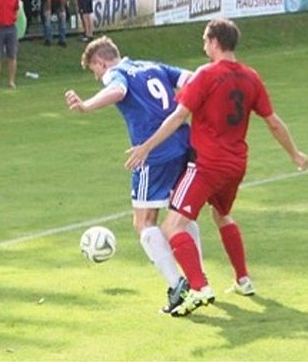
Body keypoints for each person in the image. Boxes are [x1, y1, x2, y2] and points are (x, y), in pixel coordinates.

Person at [125, 18, 308, 317]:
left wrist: (146, 146)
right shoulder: (251, 77)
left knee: (172, 226)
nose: (203, 46)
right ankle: (243, 279)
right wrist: (295, 154)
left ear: (214, 42)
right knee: (222, 214)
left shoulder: (205, 75)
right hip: (236, 165)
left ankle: (199, 287)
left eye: (204, 40)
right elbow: (273, 122)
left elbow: (177, 117)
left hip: (206, 165)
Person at [65, 36, 204, 314]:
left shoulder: (115, 73)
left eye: (94, 71)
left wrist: (87, 106)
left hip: (152, 153)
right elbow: (192, 79)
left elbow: (116, 90)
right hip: (183, 144)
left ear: (100, 62)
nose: (97, 76)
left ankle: (178, 286)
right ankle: (200, 281)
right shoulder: (152, 65)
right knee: (180, 214)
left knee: (143, 222)